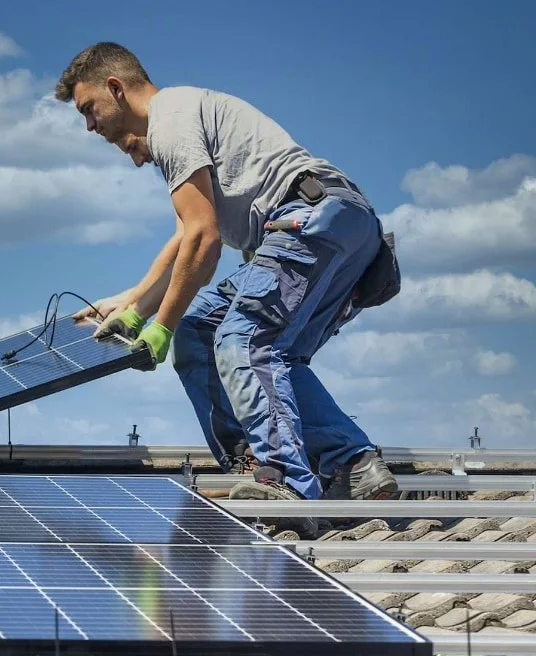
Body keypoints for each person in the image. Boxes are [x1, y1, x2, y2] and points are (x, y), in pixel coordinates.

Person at [56, 42, 400, 534]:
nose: (90, 126)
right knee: (203, 332)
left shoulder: (170, 119)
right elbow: (186, 239)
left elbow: (204, 241)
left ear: (115, 88)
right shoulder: (183, 119)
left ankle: (282, 478)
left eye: (89, 109)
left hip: (307, 222)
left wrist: (159, 328)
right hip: (335, 227)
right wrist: (130, 304)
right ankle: (351, 465)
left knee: (244, 339)